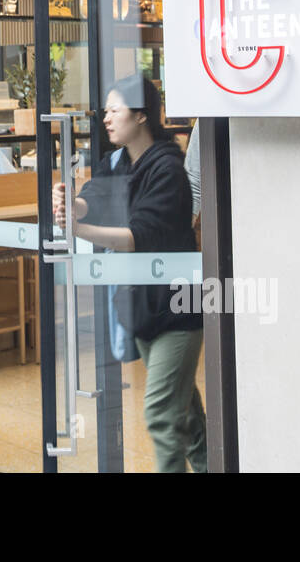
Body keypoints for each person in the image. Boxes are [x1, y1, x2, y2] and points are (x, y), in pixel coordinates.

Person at [53, 74, 206, 473]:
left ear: (140, 116)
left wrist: (78, 229)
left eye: (114, 109)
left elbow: (139, 236)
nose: (106, 117)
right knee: (186, 419)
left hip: (177, 309)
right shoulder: (120, 162)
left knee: (159, 412)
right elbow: (95, 199)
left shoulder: (167, 169)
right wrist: (72, 204)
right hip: (142, 307)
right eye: (105, 110)